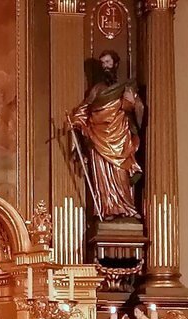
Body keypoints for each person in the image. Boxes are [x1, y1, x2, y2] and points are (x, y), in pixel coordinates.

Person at [68, 50, 144, 220]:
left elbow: (135, 108)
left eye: (108, 62)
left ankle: (126, 206)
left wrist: (132, 102)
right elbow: (84, 109)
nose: (105, 66)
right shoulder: (97, 89)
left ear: (115, 64)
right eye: (103, 63)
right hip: (98, 138)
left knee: (120, 174)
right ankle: (107, 208)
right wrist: (77, 122)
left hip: (120, 137)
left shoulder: (125, 87)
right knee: (103, 177)